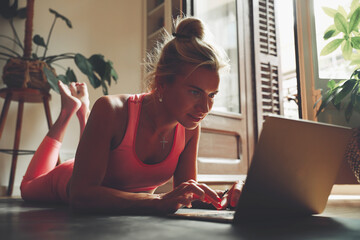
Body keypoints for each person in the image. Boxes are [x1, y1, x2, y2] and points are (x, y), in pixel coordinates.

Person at [20, 17, 243, 214]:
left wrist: (227, 196)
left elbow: (186, 195)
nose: (205, 107)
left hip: (100, 169)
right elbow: (81, 195)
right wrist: (156, 201)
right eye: (195, 92)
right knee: (27, 187)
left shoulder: (190, 126)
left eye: (212, 94)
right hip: (68, 178)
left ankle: (81, 113)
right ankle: (68, 113)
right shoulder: (111, 109)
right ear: (162, 83)